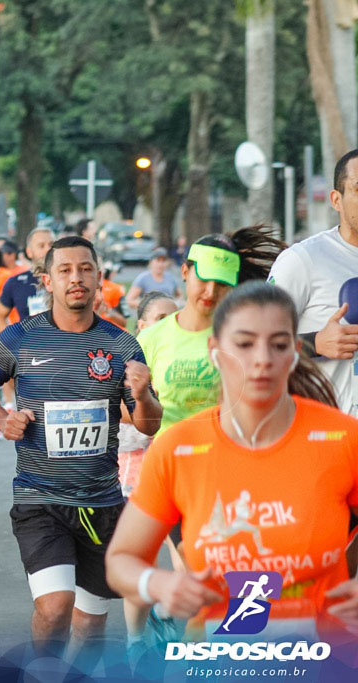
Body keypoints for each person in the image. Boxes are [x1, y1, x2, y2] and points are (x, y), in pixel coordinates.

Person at [105, 281, 358, 643]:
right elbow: (121, 560)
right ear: (215, 350)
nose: (262, 359)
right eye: (244, 344)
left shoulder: (343, 438)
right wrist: (158, 582)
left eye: (279, 345)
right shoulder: (178, 449)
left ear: (294, 354)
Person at [0, 235, 162, 660]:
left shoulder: (121, 345)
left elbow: (147, 426)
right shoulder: (20, 337)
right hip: (40, 500)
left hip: (102, 504)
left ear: (98, 278)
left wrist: (144, 396)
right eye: (65, 270)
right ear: (47, 281)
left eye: (86, 269)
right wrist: (2, 419)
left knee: (90, 625)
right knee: (55, 608)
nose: (77, 278)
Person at [138, 229, 283, 436]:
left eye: (222, 284)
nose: (211, 292)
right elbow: (129, 414)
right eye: (204, 280)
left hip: (226, 459)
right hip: (170, 460)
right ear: (185, 272)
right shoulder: (150, 338)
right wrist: (143, 398)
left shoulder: (245, 339)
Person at [269, 149, 358, 417]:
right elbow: (257, 343)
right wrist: (315, 343)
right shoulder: (303, 260)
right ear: (336, 199)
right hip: (329, 437)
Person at [117, 291, 179, 663]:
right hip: (136, 463)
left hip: (180, 463)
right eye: (159, 318)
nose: (167, 325)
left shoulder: (188, 357)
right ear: (141, 325)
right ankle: (135, 636)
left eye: (174, 318)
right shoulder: (126, 360)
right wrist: (145, 403)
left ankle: (171, 614)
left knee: (187, 547)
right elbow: (126, 419)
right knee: (143, 553)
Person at [0, 227, 55, 330]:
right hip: (30, 344)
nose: (48, 249)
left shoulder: (68, 279)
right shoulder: (16, 283)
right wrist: (10, 343)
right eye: (41, 246)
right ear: (29, 252)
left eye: (52, 245)